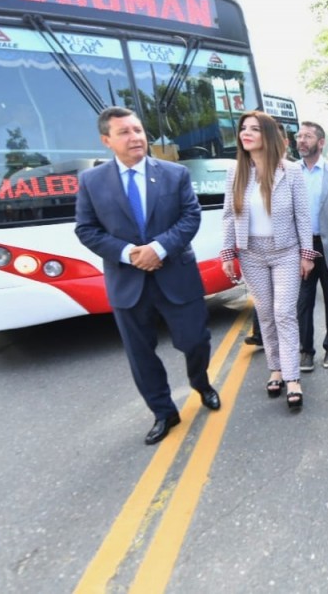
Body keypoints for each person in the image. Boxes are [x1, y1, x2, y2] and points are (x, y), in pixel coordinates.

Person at [75, 106, 221, 445]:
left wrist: (158, 248)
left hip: (176, 276)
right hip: (128, 283)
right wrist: (130, 254)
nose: (135, 137)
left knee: (196, 340)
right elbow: (86, 229)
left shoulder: (174, 174)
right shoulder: (91, 182)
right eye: (124, 132)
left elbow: (190, 217)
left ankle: (201, 383)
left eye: (138, 130)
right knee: (141, 354)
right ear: (106, 140)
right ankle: (163, 411)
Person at [221, 111, 316, 409]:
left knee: (284, 312)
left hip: (285, 251)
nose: (245, 133)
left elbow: (303, 215)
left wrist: (306, 254)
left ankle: (292, 377)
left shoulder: (291, 171)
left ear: (268, 136)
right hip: (251, 253)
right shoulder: (235, 172)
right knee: (265, 315)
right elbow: (228, 215)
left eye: (253, 129)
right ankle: (275, 368)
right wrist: (227, 253)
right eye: (242, 129)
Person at [295, 121, 328, 371]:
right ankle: (306, 350)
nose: (302, 140)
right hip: (300, 248)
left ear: (321, 142)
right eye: (299, 136)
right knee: (303, 301)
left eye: (308, 136)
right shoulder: (290, 172)